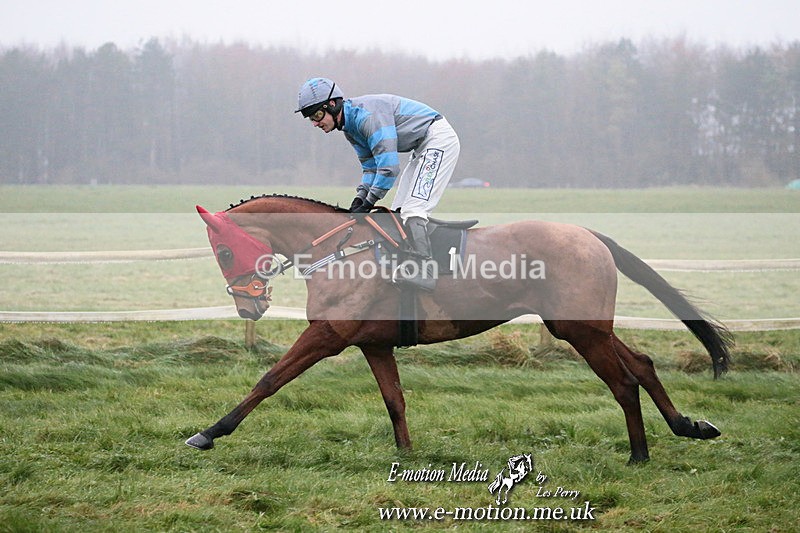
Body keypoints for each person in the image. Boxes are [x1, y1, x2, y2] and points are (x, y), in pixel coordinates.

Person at [295, 77, 460, 292]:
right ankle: (407, 265)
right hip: (420, 147)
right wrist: (359, 198)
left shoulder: (367, 118)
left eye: (317, 115)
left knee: (414, 209)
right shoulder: (350, 128)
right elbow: (371, 168)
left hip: (439, 140)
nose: (315, 123)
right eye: (310, 118)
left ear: (333, 104)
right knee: (399, 212)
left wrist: (370, 201)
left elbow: (389, 168)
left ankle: (426, 272)